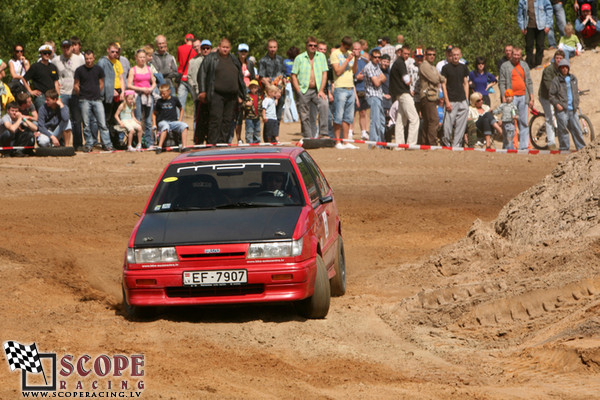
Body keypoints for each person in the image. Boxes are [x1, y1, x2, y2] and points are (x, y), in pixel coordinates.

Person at [197, 38, 245, 144]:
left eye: (227, 47)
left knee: (227, 120)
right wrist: (202, 91)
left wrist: (241, 94)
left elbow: (240, 77)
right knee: (215, 120)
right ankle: (212, 143)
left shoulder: (234, 59)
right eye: (223, 47)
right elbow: (202, 73)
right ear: (219, 47)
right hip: (216, 94)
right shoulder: (211, 58)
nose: (225, 49)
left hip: (232, 96)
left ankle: (223, 142)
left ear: (230, 48)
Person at [74, 50, 113, 152]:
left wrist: (96, 92)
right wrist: (82, 94)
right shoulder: (79, 70)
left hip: (97, 99)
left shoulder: (99, 69)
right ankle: (89, 144)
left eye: (90, 58)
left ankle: (107, 144)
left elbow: (101, 83)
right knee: (86, 125)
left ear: (94, 58)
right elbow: (76, 85)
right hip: (84, 100)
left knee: (102, 123)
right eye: (87, 59)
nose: (89, 61)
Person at [291, 36, 329, 139]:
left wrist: (321, 90)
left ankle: (323, 132)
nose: (313, 47)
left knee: (324, 104)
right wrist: (298, 91)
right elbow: (293, 75)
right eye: (310, 45)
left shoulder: (321, 57)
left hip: (317, 90)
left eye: (315, 45)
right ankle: (308, 137)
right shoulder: (299, 58)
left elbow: (324, 73)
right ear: (306, 46)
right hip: (304, 90)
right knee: (304, 115)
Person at [498, 47, 534, 150]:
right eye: (515, 55)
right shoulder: (505, 66)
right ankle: (510, 145)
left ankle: (524, 146)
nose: (516, 57)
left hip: (523, 96)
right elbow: (502, 82)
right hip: (511, 97)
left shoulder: (524, 65)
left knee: (523, 122)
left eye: (518, 55)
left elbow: (529, 82)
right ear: (511, 54)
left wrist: (532, 97)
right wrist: (503, 96)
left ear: (521, 55)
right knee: (509, 122)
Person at [549, 59, 586, 150]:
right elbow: (551, 95)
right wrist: (557, 104)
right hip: (562, 110)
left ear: (568, 68)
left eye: (566, 67)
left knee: (577, 129)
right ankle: (564, 149)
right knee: (563, 131)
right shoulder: (556, 80)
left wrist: (576, 103)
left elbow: (575, 92)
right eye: (562, 67)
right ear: (560, 69)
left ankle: (581, 149)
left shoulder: (573, 78)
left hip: (572, 109)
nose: (564, 69)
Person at [330, 36, 359, 149]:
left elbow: (354, 71)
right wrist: (347, 60)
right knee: (338, 116)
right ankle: (338, 142)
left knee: (348, 117)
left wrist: (355, 59)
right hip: (340, 88)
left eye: (349, 48)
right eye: (345, 47)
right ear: (342, 44)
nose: (347, 50)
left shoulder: (350, 54)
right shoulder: (335, 54)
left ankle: (346, 141)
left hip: (350, 88)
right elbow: (337, 71)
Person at [54, 39, 84, 151]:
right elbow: (54, 77)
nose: (66, 49)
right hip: (62, 93)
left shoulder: (79, 59)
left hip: (75, 93)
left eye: (68, 47)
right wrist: (56, 91)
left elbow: (83, 75)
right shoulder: (56, 60)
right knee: (63, 118)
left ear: (72, 47)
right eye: (64, 47)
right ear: (61, 48)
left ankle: (78, 144)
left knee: (77, 119)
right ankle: (61, 143)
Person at [390, 44, 419, 148]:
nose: (406, 55)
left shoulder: (398, 63)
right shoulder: (400, 63)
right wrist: (411, 80)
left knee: (400, 120)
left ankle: (399, 145)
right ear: (400, 52)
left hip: (398, 94)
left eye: (408, 54)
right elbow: (406, 80)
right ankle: (411, 145)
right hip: (404, 94)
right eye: (404, 53)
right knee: (414, 119)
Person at [127, 49, 156, 148]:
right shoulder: (133, 69)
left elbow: (154, 82)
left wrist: (151, 88)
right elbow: (129, 85)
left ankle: (149, 142)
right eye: (140, 57)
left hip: (148, 96)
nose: (142, 59)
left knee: (148, 120)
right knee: (138, 119)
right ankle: (137, 142)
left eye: (144, 57)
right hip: (138, 96)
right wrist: (141, 89)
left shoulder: (149, 69)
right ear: (136, 58)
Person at [441, 47, 469, 148]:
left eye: (457, 55)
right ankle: (446, 143)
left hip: (462, 100)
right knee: (447, 126)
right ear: (450, 56)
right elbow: (443, 85)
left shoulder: (464, 67)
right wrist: (447, 101)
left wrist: (466, 99)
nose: (455, 57)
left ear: (460, 55)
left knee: (461, 125)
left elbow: (465, 83)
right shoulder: (446, 68)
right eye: (454, 55)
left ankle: (456, 145)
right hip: (451, 100)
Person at [97, 42, 125, 145]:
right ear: (108, 50)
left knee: (116, 118)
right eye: (112, 51)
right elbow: (101, 79)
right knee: (107, 118)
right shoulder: (103, 62)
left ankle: (115, 141)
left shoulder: (118, 63)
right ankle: (106, 141)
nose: (114, 54)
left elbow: (121, 78)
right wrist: (110, 90)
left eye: (116, 52)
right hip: (108, 94)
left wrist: (122, 91)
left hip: (118, 93)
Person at [538, 50, 565, 150]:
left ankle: (562, 142)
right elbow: (549, 86)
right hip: (546, 96)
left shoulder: (563, 69)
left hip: (557, 97)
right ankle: (551, 142)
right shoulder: (548, 70)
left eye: (560, 58)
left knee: (561, 117)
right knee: (550, 118)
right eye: (557, 58)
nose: (558, 60)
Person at [419, 48, 446, 146]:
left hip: (432, 97)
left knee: (428, 121)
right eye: (430, 54)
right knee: (434, 120)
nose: (432, 56)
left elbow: (441, 78)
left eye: (434, 54)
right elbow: (435, 79)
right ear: (425, 55)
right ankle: (432, 143)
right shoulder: (424, 65)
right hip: (427, 97)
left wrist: (440, 78)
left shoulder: (432, 67)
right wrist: (440, 78)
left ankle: (425, 143)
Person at [153, 84, 189, 153]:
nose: (162, 95)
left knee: (184, 126)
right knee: (165, 127)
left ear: (169, 92)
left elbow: (181, 109)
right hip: (162, 121)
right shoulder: (159, 101)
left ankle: (184, 147)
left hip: (173, 122)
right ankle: (159, 147)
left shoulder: (174, 99)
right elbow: (154, 113)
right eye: (161, 94)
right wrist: (154, 124)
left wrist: (180, 119)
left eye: (164, 94)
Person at [517, 0, 553, 69]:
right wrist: (522, 26)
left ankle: (538, 63)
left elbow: (549, 11)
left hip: (541, 26)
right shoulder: (523, 1)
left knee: (540, 45)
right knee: (529, 46)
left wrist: (548, 25)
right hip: (528, 26)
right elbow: (520, 14)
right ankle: (529, 65)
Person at [23, 44, 60, 110]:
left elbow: (56, 82)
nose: (47, 55)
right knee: (43, 116)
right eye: (45, 53)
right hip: (41, 96)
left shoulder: (53, 67)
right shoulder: (35, 67)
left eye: (49, 53)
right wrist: (31, 91)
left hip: (52, 96)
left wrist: (58, 96)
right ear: (41, 54)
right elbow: (24, 79)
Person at [362, 48, 386, 147]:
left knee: (381, 121)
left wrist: (379, 79)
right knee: (375, 120)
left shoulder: (377, 66)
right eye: (375, 57)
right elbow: (376, 83)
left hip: (379, 95)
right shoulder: (369, 67)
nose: (377, 59)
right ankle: (373, 144)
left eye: (379, 57)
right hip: (372, 96)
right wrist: (380, 79)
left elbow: (384, 77)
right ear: (371, 57)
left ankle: (380, 143)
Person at [189, 39, 212, 144]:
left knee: (211, 119)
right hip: (200, 95)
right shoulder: (196, 61)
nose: (206, 50)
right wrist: (198, 92)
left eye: (208, 48)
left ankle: (210, 139)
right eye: (204, 48)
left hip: (212, 95)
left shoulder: (214, 60)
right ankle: (198, 141)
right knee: (199, 120)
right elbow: (193, 78)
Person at [258, 39, 287, 120]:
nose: (272, 49)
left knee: (278, 116)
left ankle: (276, 132)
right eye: (271, 47)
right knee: (269, 115)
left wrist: (284, 81)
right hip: (268, 92)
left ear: (277, 48)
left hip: (280, 91)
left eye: (274, 47)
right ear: (267, 47)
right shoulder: (262, 60)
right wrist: (271, 89)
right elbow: (261, 77)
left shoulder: (280, 59)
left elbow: (284, 73)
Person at [176, 33, 197, 119]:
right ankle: (196, 123)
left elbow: (179, 60)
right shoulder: (195, 50)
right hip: (192, 78)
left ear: (185, 40)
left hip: (182, 78)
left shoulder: (180, 48)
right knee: (196, 102)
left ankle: (180, 123)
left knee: (180, 104)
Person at [352, 42, 370, 140]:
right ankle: (350, 131)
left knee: (363, 112)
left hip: (363, 89)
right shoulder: (349, 60)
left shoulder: (365, 61)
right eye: (355, 49)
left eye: (358, 49)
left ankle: (364, 131)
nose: (357, 51)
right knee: (352, 112)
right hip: (353, 89)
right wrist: (356, 78)